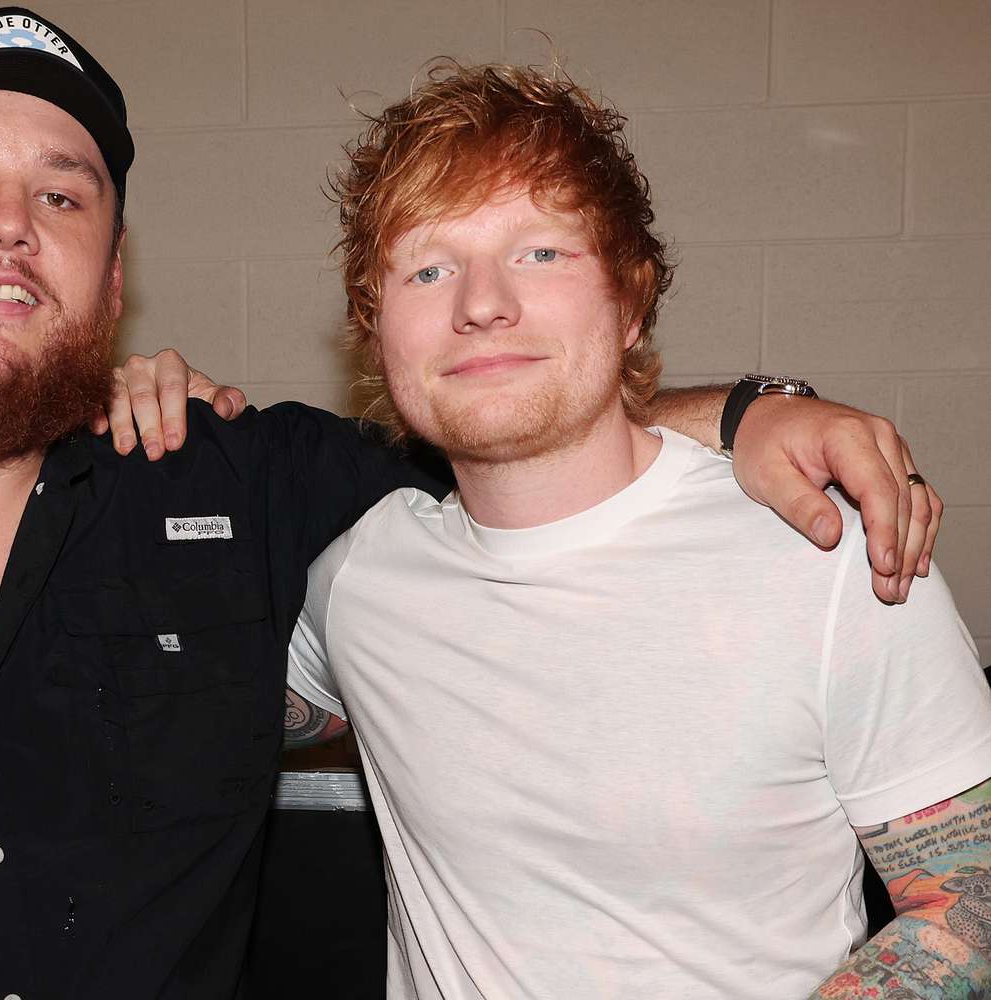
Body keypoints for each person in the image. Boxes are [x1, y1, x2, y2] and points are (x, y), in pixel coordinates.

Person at [0, 9, 940, 999]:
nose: (9, 223)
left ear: (113, 279)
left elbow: (522, 434)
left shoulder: (244, 499)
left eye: (66, 195)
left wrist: (759, 411)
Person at [278, 62, 991, 998]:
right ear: (377, 336)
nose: (482, 302)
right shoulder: (360, 579)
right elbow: (216, 716)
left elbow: (969, 907)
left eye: (541, 252)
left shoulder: (828, 550)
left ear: (630, 302)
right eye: (428, 266)